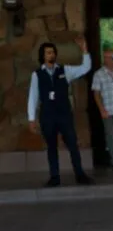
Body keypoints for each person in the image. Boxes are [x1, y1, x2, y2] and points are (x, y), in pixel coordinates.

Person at [27, 39, 95, 187]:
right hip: (48, 115)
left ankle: (80, 174)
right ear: (43, 56)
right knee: (51, 147)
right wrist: (31, 119)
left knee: (72, 144)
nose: (51, 54)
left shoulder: (65, 70)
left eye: (53, 52)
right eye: (48, 52)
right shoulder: (37, 75)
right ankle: (54, 177)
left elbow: (85, 68)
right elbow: (33, 97)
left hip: (64, 114)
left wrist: (84, 51)